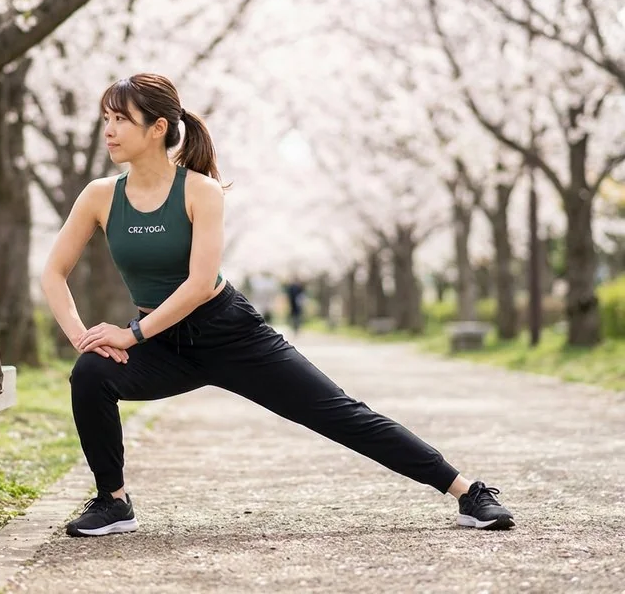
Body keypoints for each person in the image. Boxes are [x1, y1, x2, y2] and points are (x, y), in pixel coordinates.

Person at [40, 73, 515, 538]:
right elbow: (54, 272)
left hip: (229, 333)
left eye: (120, 119)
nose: (108, 131)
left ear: (157, 128)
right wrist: (84, 338)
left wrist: (131, 334)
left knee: (339, 413)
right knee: (91, 373)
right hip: (161, 343)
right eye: (106, 119)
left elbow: (200, 284)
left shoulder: (200, 191)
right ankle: (113, 501)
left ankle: (466, 491)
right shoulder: (100, 196)